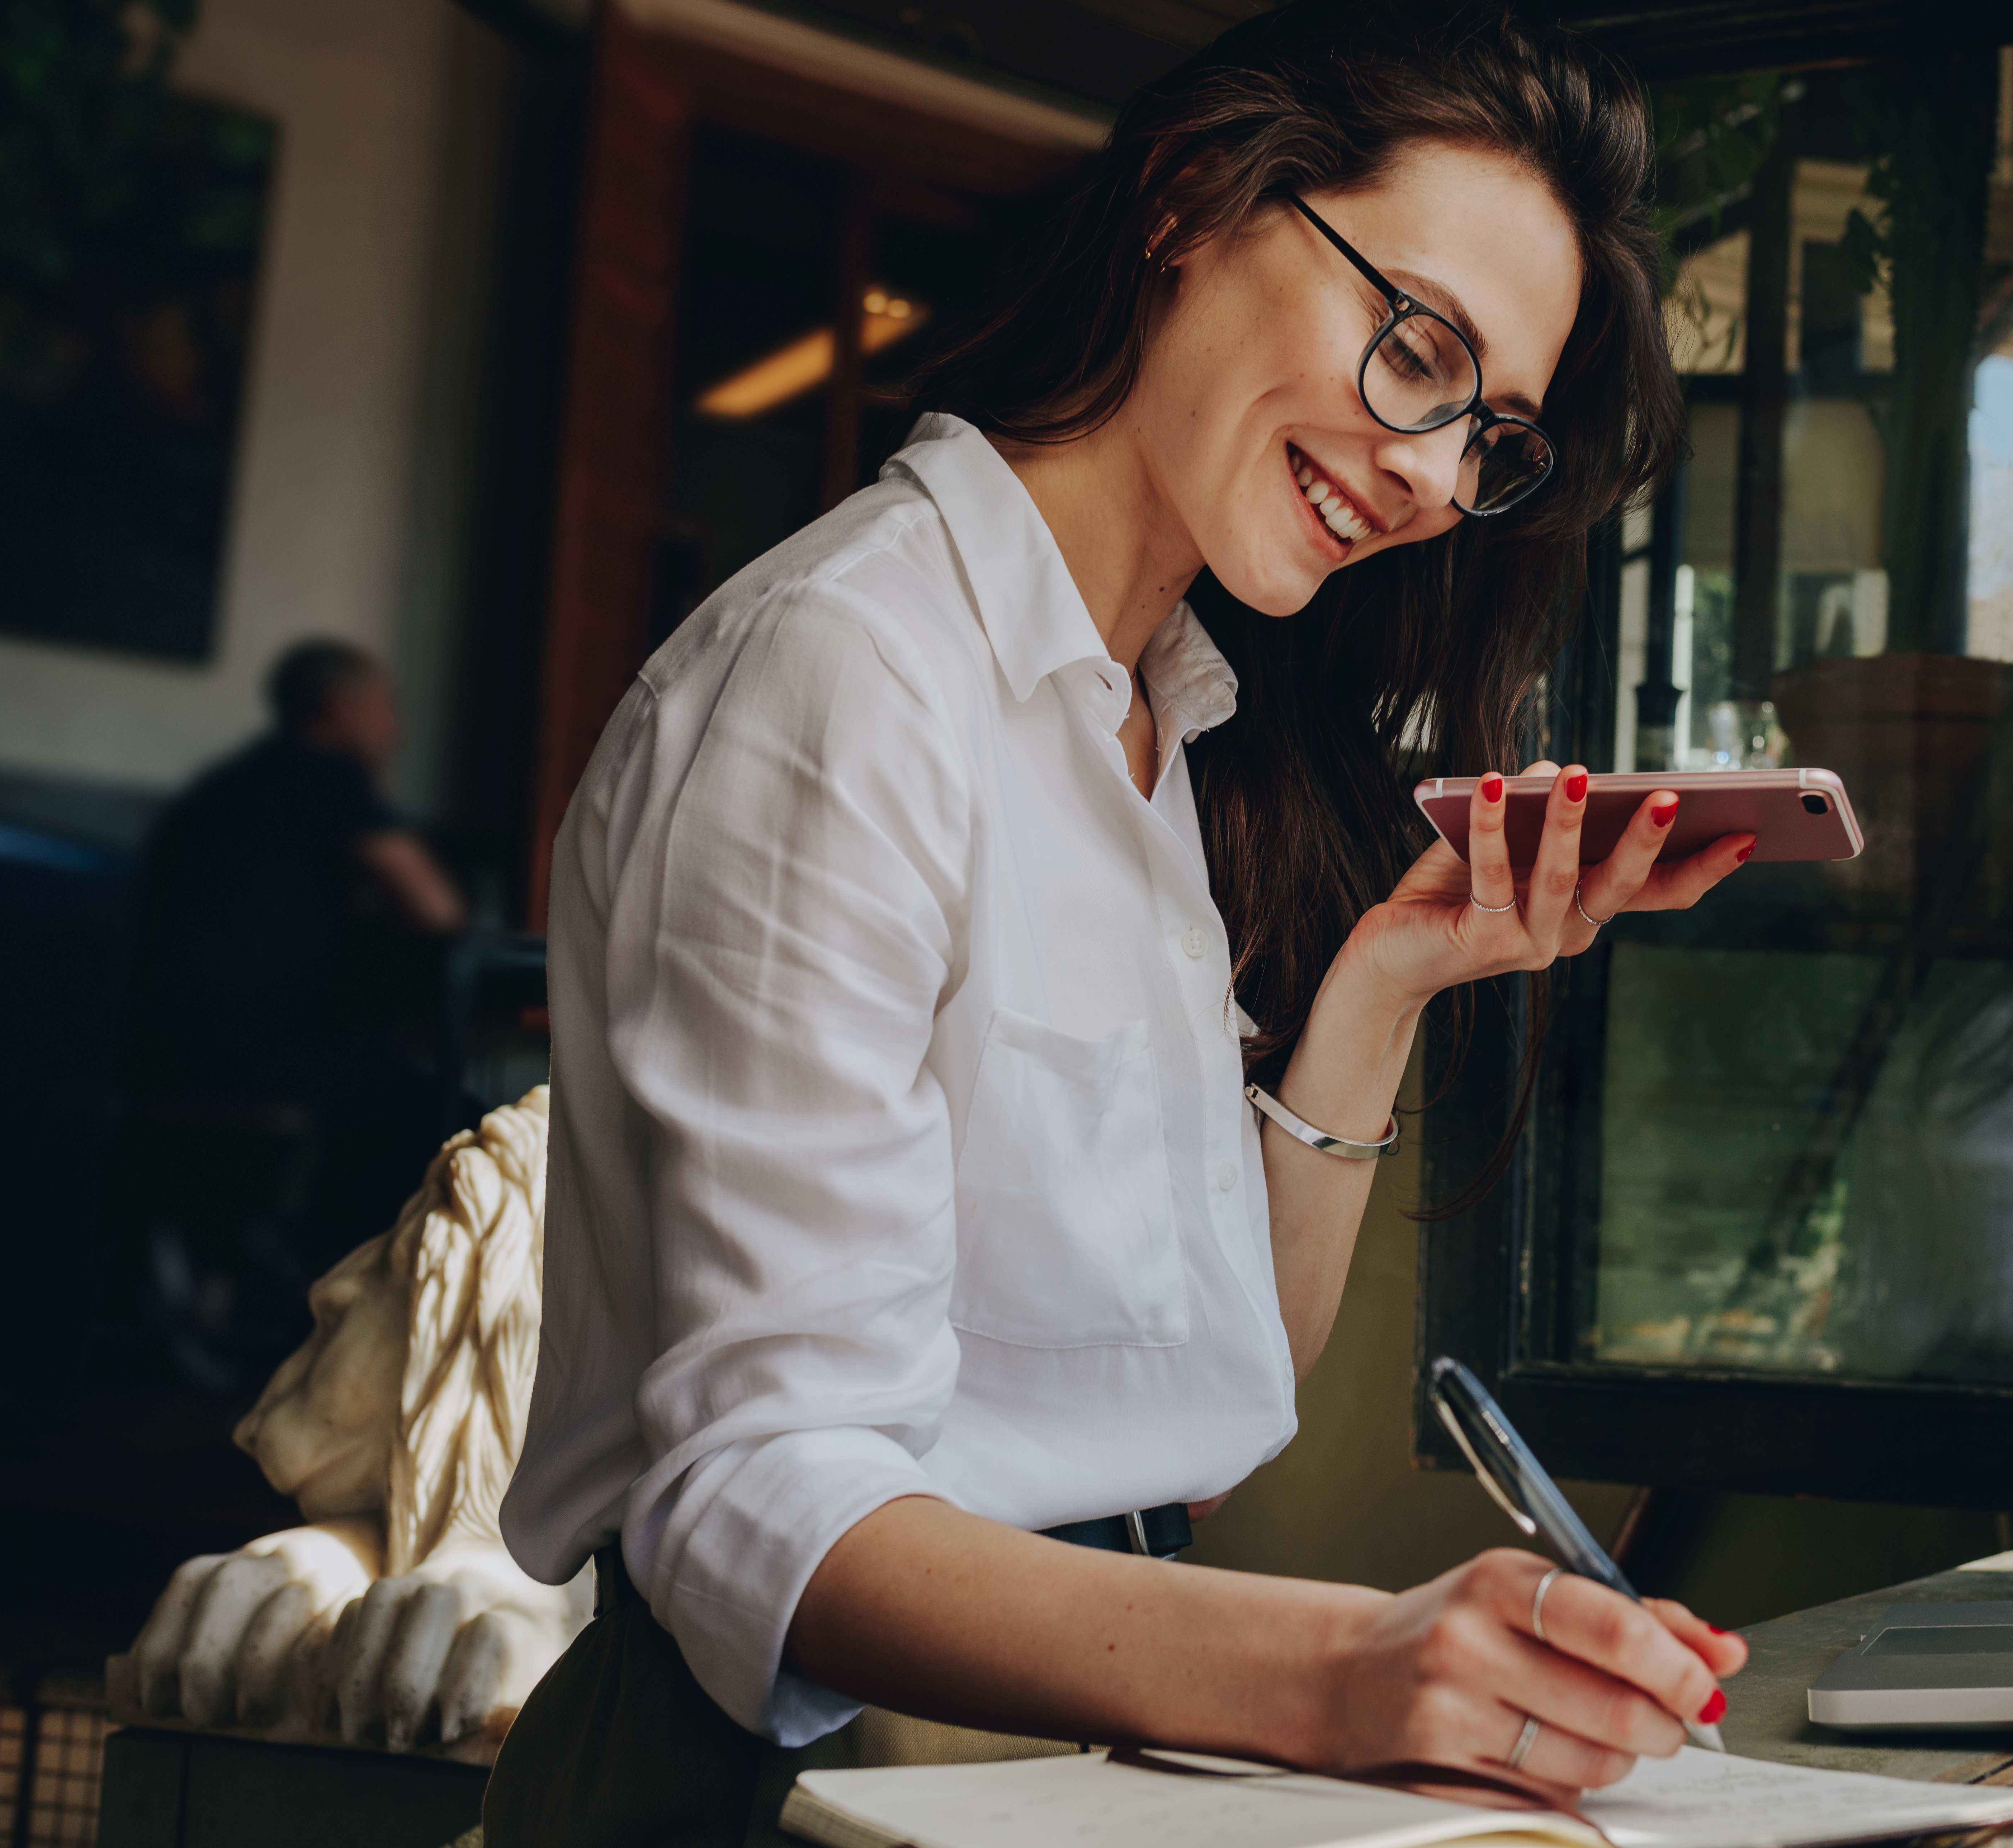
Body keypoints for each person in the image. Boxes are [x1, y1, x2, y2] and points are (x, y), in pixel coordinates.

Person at [488, 9, 1755, 1840]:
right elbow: (759, 1504)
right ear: (1186, 203)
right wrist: (1340, 1671)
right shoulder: (850, 676)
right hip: (805, 1787)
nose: (1426, 475)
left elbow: (1210, 1397)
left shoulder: (1165, 720)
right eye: (1417, 348)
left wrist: (1388, 978)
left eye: (1489, 436)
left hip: (1086, 1757)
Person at [114, 639, 467, 1381]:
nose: (395, 730)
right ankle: (343, 1335)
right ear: (340, 710)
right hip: (247, 1050)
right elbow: (436, 909)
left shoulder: (232, 787)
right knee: (438, 1112)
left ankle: (236, 1291)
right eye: (385, 709)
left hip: (156, 1041)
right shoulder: (328, 777)